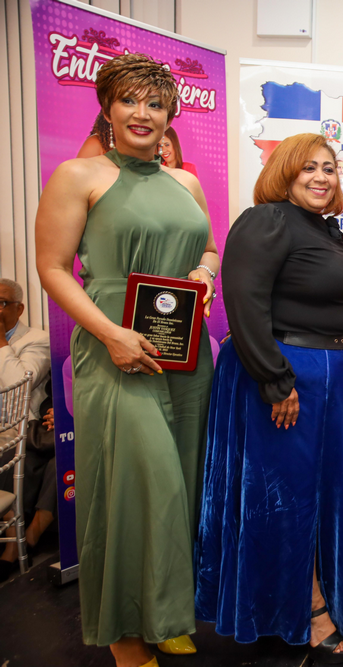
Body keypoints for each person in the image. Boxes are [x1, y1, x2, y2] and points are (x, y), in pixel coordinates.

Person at [34, 53, 218, 667]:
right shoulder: (78, 175)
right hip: (114, 349)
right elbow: (53, 269)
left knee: (181, 485)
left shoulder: (185, 183)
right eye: (130, 100)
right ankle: (124, 635)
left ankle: (164, 612)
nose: (143, 113)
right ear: (108, 109)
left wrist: (205, 274)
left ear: (170, 115)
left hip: (185, 355)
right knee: (137, 487)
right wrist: (112, 334)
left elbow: (209, 248)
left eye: (156, 103)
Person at [195, 133, 343, 662]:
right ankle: (308, 609)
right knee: (287, 503)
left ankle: (317, 600)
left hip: (332, 381)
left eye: (329, 168)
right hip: (287, 380)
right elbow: (243, 302)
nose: (321, 177)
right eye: (308, 168)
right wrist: (277, 381)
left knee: (321, 500)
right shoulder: (267, 219)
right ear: (284, 173)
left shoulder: (326, 231)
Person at [0, 278, 53, 582]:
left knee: (14, 457)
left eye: (1, 303)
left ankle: (17, 543)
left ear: (19, 308)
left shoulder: (37, 339)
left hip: (22, 431)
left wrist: (1, 342)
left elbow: (18, 388)